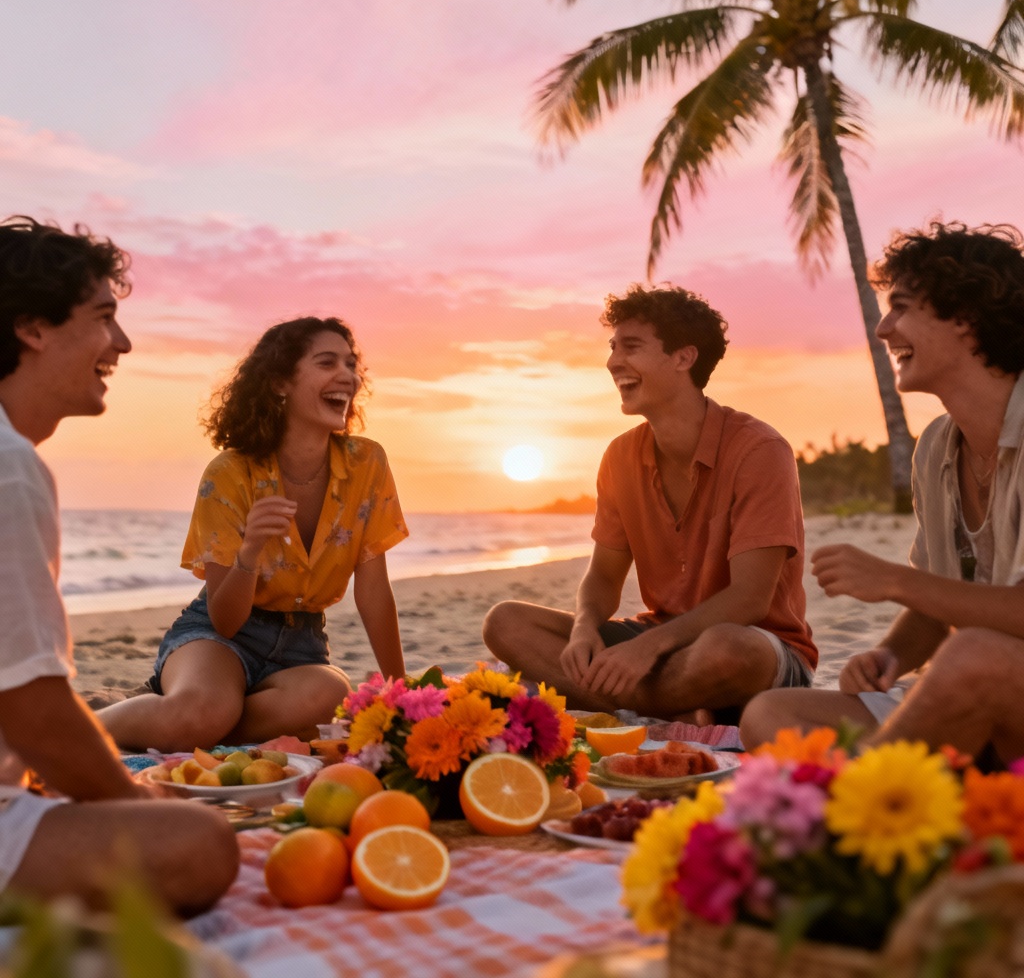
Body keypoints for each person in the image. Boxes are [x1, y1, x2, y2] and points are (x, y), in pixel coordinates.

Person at [0, 215, 238, 913]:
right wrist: (126, 794)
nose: (123, 343)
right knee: (198, 844)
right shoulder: (10, 467)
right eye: (105, 317)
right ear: (34, 327)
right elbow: (31, 707)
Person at [740, 221, 1024, 765]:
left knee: (973, 655)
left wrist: (893, 580)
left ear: (964, 317)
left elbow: (949, 605)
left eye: (900, 308)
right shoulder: (937, 447)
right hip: (980, 698)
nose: (883, 330)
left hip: (1000, 681)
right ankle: (921, 788)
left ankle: (869, 804)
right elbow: (936, 604)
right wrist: (888, 656)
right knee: (771, 714)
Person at [483, 284, 816, 721]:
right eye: (612, 347)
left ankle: (627, 704)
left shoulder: (759, 451)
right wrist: (584, 628)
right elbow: (603, 576)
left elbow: (750, 599)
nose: (613, 361)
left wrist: (645, 649)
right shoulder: (620, 456)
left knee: (728, 649)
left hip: (758, 646)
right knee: (506, 623)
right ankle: (674, 708)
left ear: (683, 357)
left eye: (631, 347)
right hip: (662, 643)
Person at [99, 316, 408, 752]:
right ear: (280, 382)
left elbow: (373, 592)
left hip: (303, 645)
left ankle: (193, 719)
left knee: (333, 695)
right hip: (216, 637)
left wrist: (403, 692)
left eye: (351, 364)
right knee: (202, 710)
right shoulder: (229, 473)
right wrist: (249, 552)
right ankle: (81, 725)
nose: (348, 376)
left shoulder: (367, 463)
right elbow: (225, 619)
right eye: (327, 362)